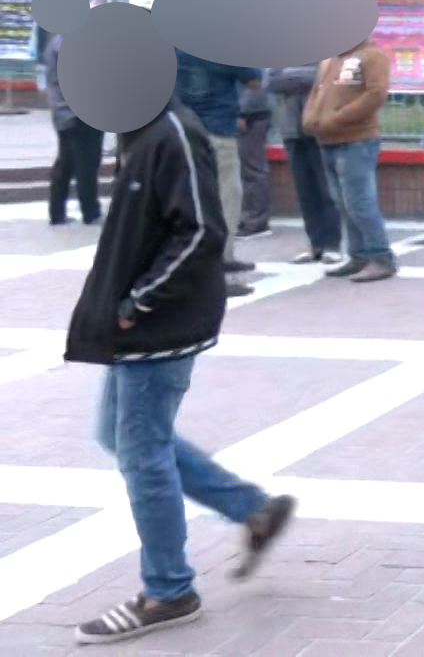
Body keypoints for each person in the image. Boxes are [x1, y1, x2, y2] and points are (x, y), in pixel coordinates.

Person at [63, 95, 296, 645]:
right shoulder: (141, 126)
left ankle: (168, 590)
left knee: (142, 454)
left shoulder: (170, 130)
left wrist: (135, 303)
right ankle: (252, 510)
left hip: (159, 324)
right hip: (139, 322)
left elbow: (199, 232)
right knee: (121, 437)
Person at [302, 38, 397, 283]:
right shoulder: (331, 58)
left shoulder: (371, 55)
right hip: (327, 140)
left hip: (357, 140)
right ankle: (359, 255)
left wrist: (337, 119)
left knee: (360, 202)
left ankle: (381, 256)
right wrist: (310, 118)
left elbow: (375, 94)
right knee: (343, 202)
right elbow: (317, 92)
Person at [172, 49, 262, 297]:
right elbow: (255, 80)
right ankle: (217, 266)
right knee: (225, 201)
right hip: (218, 131)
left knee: (194, 202)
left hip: (184, 131)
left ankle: (204, 262)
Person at [265, 64, 346, 266]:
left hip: (320, 129)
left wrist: (292, 76)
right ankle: (314, 243)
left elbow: (330, 78)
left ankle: (332, 245)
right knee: (305, 191)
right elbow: (271, 82)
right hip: (292, 131)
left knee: (326, 190)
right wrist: (307, 78)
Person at [44, 32, 104, 226]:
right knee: (86, 164)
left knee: (66, 162)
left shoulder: (57, 41)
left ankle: (57, 212)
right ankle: (90, 211)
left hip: (63, 112)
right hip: (80, 113)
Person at [234, 77, 274, 238]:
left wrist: (243, 113)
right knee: (246, 169)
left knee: (253, 169)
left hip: (252, 116)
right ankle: (249, 218)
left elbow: (255, 80)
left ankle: (257, 222)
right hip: (249, 113)